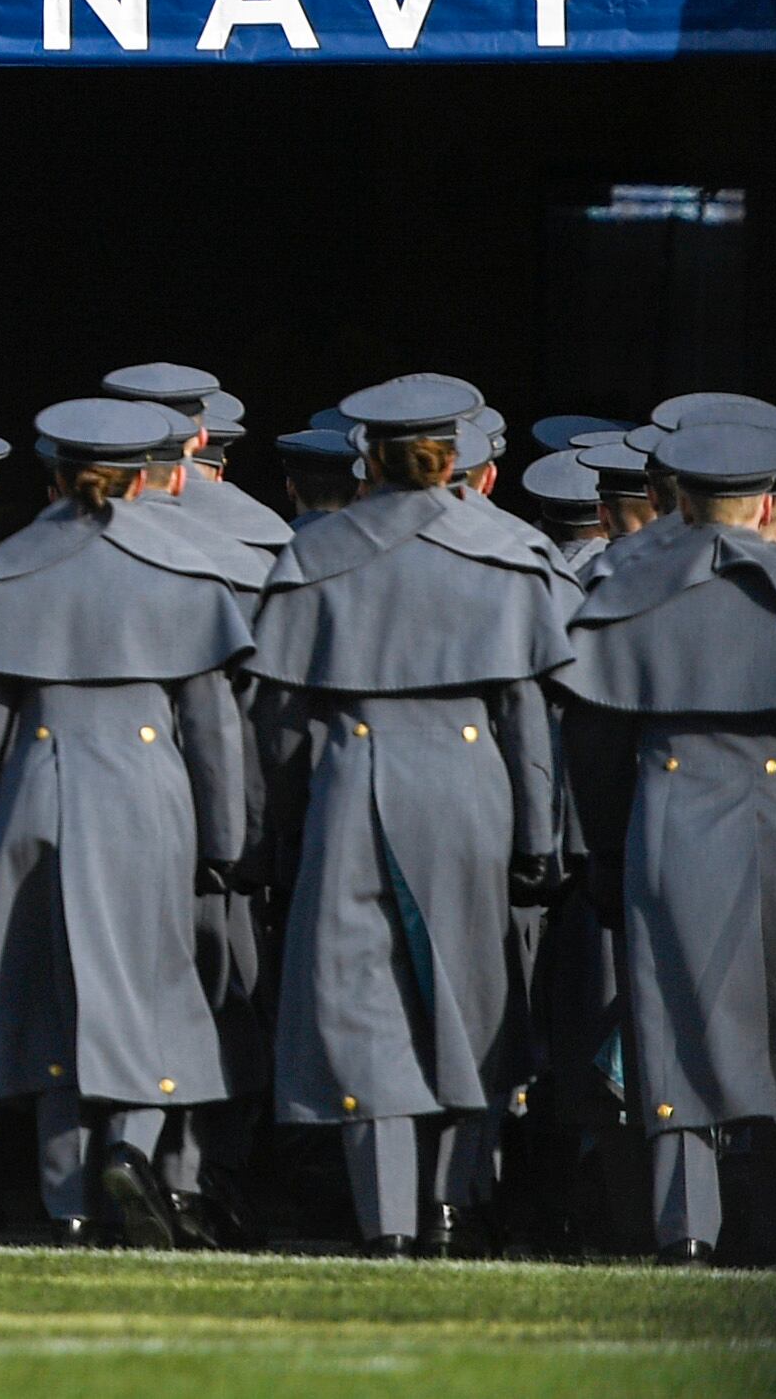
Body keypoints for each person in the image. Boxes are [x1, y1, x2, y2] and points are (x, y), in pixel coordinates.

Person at [549, 417, 776, 1263]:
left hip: (665, 819)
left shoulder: (632, 584)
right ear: (770, 502)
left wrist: (603, 854)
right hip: (775, 818)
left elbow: (594, 745)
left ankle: (688, 1224)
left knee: (673, 1014)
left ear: (679, 498)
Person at [253, 373, 577, 1258]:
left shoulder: (319, 550)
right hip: (470, 784)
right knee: (470, 993)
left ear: (368, 456)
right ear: (456, 454)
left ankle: (387, 1214)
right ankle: (451, 1201)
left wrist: (283, 823)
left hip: (349, 780)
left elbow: (279, 718)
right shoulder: (503, 548)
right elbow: (525, 711)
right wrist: (537, 836)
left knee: (363, 1000)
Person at [0, 399, 257, 1249]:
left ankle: (67, 1198)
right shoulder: (181, 566)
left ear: (56, 475)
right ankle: (131, 1146)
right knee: (151, 978)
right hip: (149, 793)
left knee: (46, 992)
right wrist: (224, 839)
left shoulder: (14, 565)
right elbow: (212, 724)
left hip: (38, 787)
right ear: (148, 477)